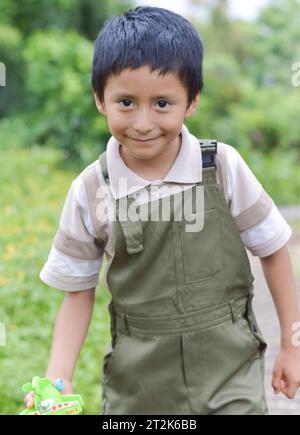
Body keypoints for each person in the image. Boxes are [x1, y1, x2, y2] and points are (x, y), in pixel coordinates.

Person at [25, 6, 300, 415]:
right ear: (100, 99)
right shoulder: (91, 189)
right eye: (126, 101)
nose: (142, 122)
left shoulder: (221, 167)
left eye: (162, 103)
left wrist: (291, 347)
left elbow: (274, 249)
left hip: (230, 375)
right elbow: (78, 292)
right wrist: (57, 379)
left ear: (191, 101)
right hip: (138, 384)